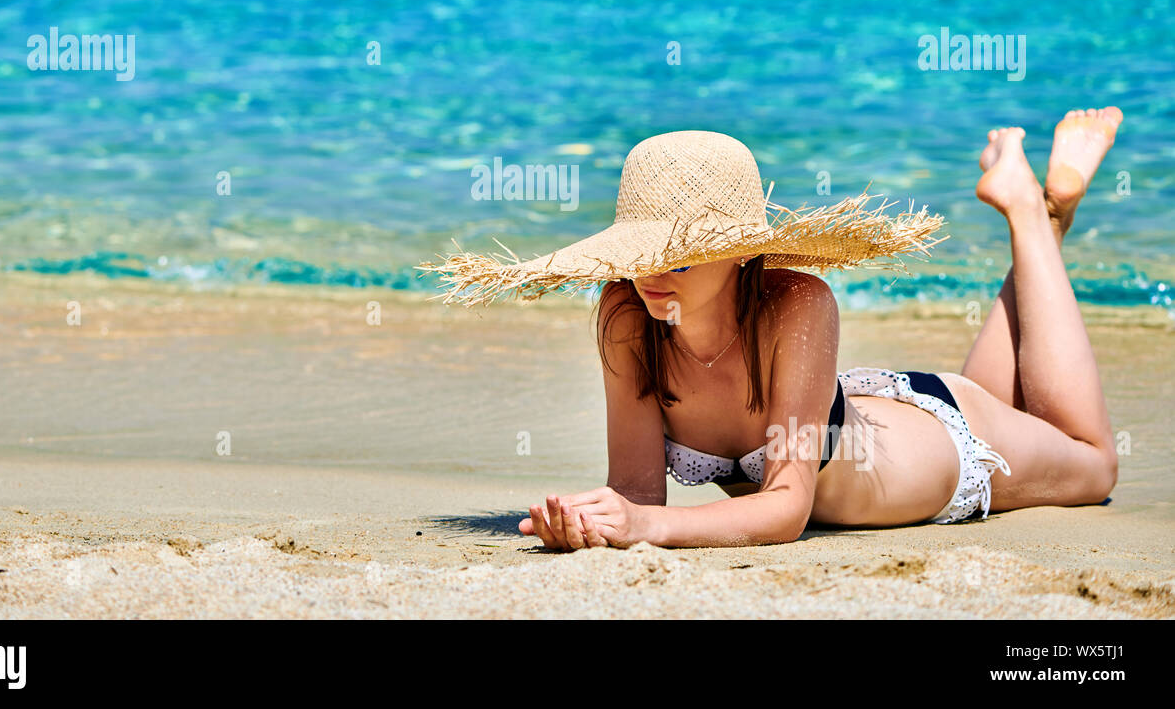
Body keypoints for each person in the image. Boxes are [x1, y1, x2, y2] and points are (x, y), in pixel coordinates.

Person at [421, 109, 1123, 549]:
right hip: (881, 416)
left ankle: (1029, 210)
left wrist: (644, 530)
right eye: (644, 251)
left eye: (684, 251)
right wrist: (591, 526)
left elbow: (787, 507)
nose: (654, 271)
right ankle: (1045, 217)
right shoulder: (626, 317)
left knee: (1094, 464)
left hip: (950, 448)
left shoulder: (798, 305)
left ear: (741, 250)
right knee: (1021, 403)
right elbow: (637, 495)